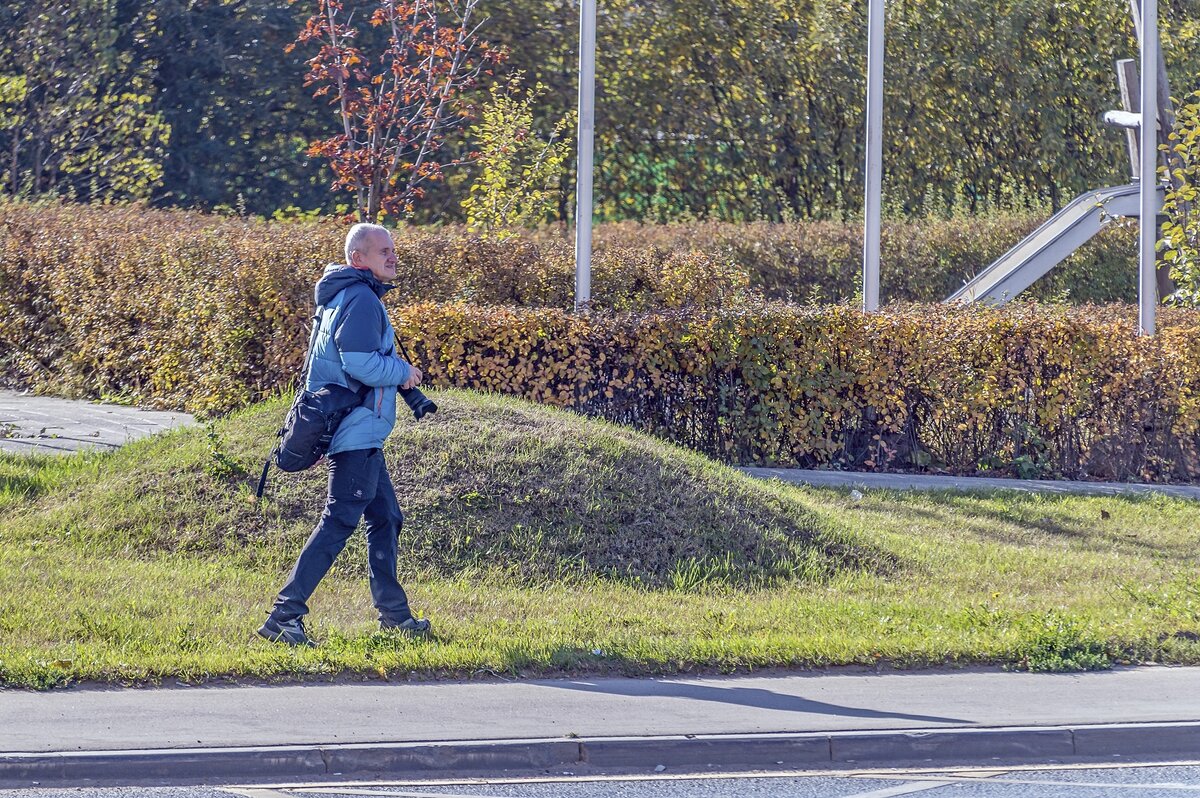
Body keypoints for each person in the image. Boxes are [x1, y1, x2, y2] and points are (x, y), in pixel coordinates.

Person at [258, 222, 430, 647]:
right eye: (382, 251)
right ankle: (284, 616)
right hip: (356, 431)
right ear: (358, 259)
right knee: (338, 522)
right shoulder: (360, 299)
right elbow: (359, 363)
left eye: (392, 249)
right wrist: (404, 372)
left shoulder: (340, 296)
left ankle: (394, 616)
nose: (392, 256)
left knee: (386, 516)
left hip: (357, 429)